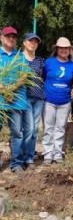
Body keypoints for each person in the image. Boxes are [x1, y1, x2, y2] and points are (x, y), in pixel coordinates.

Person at [0, 26, 33, 174]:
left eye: (14, 37)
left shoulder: (19, 56)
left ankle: (16, 164)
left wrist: (11, 89)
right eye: (8, 36)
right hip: (1, 100)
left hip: (16, 101)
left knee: (17, 133)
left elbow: (24, 76)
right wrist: (4, 91)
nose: (11, 39)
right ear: (1, 37)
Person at [42, 37, 73, 164]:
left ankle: (57, 154)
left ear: (69, 50)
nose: (63, 50)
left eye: (66, 48)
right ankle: (47, 154)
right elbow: (43, 77)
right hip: (49, 100)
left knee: (60, 128)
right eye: (61, 48)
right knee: (48, 128)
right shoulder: (49, 62)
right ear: (57, 49)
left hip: (65, 102)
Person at [22, 33, 44, 168]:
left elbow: (44, 77)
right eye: (30, 41)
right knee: (28, 128)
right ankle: (23, 157)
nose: (33, 43)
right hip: (24, 98)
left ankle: (29, 158)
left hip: (39, 98)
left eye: (35, 42)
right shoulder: (18, 59)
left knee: (34, 129)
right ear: (24, 42)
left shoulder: (40, 61)